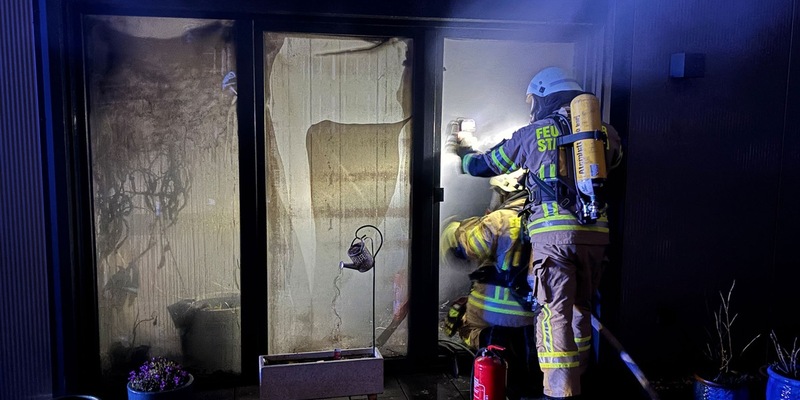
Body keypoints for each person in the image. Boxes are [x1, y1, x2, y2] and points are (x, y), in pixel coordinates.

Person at [450, 66, 623, 399]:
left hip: (554, 241)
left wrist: (463, 151)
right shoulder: (604, 133)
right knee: (580, 308)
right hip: (596, 237)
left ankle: (559, 392)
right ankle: (579, 381)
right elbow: (612, 167)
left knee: (553, 313)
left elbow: (484, 165)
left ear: (543, 97)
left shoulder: (533, 132)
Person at [440, 171, 542, 400]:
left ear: (506, 191)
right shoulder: (543, 218)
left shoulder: (501, 219)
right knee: (523, 379)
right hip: (532, 318)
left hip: (493, 316)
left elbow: (462, 251)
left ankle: (489, 344)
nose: (494, 199)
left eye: (496, 193)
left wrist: (450, 227)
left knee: (464, 329)